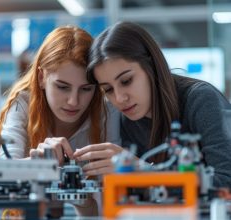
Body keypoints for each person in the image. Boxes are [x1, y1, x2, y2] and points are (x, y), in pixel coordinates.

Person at [74, 21, 231, 188]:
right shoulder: (125, 119)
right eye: (108, 90)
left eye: (126, 81)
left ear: (151, 67)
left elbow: (226, 181)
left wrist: (143, 172)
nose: (119, 98)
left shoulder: (201, 100)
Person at [0, 26, 121, 215]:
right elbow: (2, 174)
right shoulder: (22, 104)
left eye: (86, 89)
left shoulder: (107, 110)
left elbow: (108, 211)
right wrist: (39, 164)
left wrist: (80, 197)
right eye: (62, 87)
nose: (74, 101)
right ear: (41, 78)